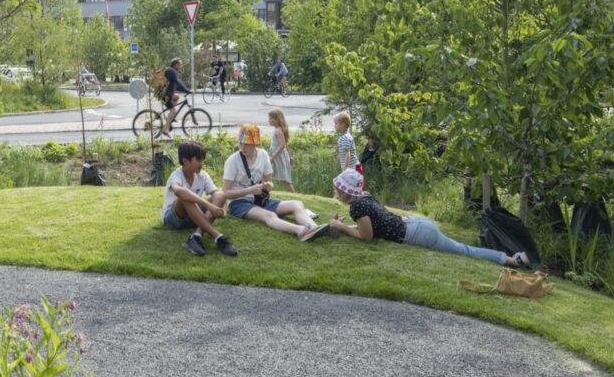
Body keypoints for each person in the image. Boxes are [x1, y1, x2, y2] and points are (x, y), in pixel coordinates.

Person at [327, 168, 531, 266]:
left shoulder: (357, 208)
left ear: (346, 191)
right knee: (464, 249)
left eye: (338, 189)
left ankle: (512, 261)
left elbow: (366, 237)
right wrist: (346, 226)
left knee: (464, 252)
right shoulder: (365, 196)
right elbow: (370, 226)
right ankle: (511, 258)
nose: (337, 192)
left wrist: (340, 226)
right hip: (416, 223)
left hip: (416, 233)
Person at [221, 124, 327, 241]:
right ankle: (301, 231)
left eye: (247, 144)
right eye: (241, 143)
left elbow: (269, 183)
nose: (243, 147)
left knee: (297, 204)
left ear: (255, 144)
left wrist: (267, 186)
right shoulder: (232, 161)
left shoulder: (263, 155)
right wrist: (248, 190)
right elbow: (225, 192)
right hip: (239, 203)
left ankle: (315, 229)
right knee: (270, 215)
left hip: (260, 199)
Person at [163, 140, 238, 257]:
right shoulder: (176, 175)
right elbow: (178, 191)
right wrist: (209, 206)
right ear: (185, 161)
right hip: (174, 219)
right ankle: (218, 237)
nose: (202, 163)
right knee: (184, 195)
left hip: (196, 216)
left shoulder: (203, 175)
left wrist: (222, 208)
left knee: (220, 195)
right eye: (198, 159)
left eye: (203, 159)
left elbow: (217, 194)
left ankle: (196, 236)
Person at [159, 57, 190, 139]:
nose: (181, 66)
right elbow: (178, 83)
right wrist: (187, 90)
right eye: (180, 65)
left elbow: (176, 86)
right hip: (166, 95)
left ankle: (171, 117)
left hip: (167, 94)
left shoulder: (171, 71)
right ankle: (165, 129)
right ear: (176, 65)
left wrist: (185, 90)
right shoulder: (171, 71)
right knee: (173, 110)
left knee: (177, 97)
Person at [267, 109, 294, 192]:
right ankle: (266, 191)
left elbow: (282, 145)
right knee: (267, 173)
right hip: (278, 156)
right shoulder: (278, 129)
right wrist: (290, 156)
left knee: (285, 180)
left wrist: (272, 157)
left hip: (278, 157)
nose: (269, 120)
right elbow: (285, 144)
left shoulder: (278, 130)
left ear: (276, 119)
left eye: (271, 118)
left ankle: (294, 195)